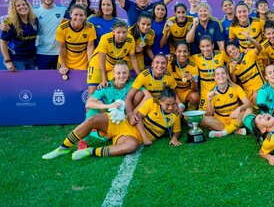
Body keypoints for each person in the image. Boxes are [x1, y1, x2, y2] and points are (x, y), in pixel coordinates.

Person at [42, 87, 182, 161]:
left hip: (132, 136)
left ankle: (90, 151)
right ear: (160, 101)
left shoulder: (175, 116)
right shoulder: (152, 103)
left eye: (172, 104)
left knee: (131, 146)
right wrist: (146, 137)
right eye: (167, 105)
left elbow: (177, 131)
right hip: (121, 123)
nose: (170, 107)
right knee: (92, 120)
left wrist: (175, 137)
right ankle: (62, 148)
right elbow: (137, 118)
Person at [85, 62, 149, 141]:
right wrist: (109, 106)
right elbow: (88, 103)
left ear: (128, 74)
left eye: (124, 73)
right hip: (111, 118)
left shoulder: (133, 83)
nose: (121, 76)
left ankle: (112, 133)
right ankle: (85, 139)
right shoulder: (106, 86)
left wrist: (132, 113)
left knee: (139, 94)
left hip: (127, 118)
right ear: (113, 74)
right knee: (97, 104)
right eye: (118, 73)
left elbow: (148, 96)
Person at [87, 20, 140, 97]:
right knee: (92, 92)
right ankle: (90, 108)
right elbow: (101, 60)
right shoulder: (105, 38)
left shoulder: (130, 39)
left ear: (127, 31)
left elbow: (133, 58)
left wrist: (139, 75)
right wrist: (104, 79)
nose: (121, 35)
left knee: (117, 87)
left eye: (124, 32)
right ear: (113, 31)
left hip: (114, 66)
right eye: (118, 32)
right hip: (97, 64)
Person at [125, 53, 182, 124]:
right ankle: (134, 117)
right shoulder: (144, 75)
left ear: (167, 65)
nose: (160, 65)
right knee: (139, 94)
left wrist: (180, 105)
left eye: (163, 63)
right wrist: (130, 114)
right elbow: (128, 97)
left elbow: (174, 93)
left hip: (161, 105)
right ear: (152, 64)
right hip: (146, 104)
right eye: (157, 62)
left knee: (175, 107)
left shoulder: (169, 76)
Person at [201, 66, 252, 138]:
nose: (220, 76)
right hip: (220, 121)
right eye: (218, 74)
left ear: (227, 76)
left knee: (249, 110)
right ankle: (234, 130)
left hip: (234, 118)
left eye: (223, 73)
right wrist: (209, 101)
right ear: (215, 78)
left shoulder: (235, 87)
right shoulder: (211, 92)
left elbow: (248, 103)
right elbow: (209, 114)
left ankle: (224, 132)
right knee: (205, 119)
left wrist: (238, 109)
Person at [56, 4, 96, 76]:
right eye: (75, 14)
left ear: (85, 16)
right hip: (66, 63)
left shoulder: (90, 27)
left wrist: (90, 64)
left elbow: (90, 47)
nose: (78, 17)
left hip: (83, 63)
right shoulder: (62, 28)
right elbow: (62, 47)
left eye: (81, 15)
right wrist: (63, 65)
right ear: (71, 15)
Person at [190, 35, 228, 110]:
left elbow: (232, 61)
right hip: (205, 94)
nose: (205, 49)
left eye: (208, 46)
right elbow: (183, 60)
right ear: (200, 47)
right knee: (203, 117)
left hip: (220, 90)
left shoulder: (221, 55)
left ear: (213, 45)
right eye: (203, 46)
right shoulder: (195, 58)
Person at [34, 0, 66, 69]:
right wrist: (4, 24)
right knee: (43, 80)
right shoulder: (34, 12)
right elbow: (17, 20)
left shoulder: (63, 10)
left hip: (60, 53)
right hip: (42, 52)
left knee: (60, 81)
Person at [1, 0, 39, 71]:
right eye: (18, 6)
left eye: (24, 4)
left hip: (32, 59)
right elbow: (3, 42)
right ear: (14, 9)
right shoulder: (9, 22)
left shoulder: (35, 20)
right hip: (17, 60)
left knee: (31, 81)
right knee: (20, 82)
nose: (22, 7)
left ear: (28, 6)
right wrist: (7, 61)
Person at [226, 39, 264, 105]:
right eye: (230, 52)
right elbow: (233, 81)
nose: (233, 52)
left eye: (233, 49)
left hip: (260, 86)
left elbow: (259, 48)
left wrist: (251, 38)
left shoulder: (249, 54)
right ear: (229, 56)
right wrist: (233, 70)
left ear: (238, 49)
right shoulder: (231, 65)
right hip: (248, 91)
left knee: (257, 99)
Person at [167, 41, 199, 110]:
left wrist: (193, 80)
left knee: (195, 96)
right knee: (174, 109)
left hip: (186, 93)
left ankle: (189, 116)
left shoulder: (193, 66)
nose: (182, 54)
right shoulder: (169, 64)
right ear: (175, 52)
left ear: (188, 52)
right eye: (179, 51)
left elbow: (195, 89)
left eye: (185, 51)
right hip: (173, 93)